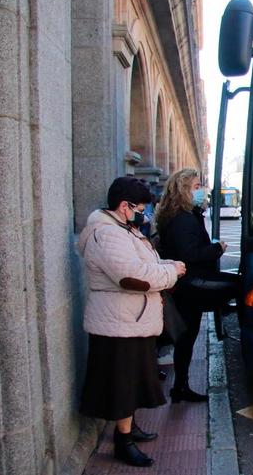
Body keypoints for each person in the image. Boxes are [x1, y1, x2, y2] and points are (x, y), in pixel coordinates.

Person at [78, 176, 186, 468]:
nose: (145, 214)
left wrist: (166, 266)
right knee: (123, 385)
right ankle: (123, 443)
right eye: (141, 208)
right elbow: (133, 277)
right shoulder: (108, 234)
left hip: (130, 321)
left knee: (132, 381)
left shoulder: (123, 229)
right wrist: (172, 272)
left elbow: (144, 265)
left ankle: (128, 428)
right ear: (125, 207)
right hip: (119, 323)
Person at [155, 168, 228, 403]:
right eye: (197, 187)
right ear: (184, 190)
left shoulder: (183, 214)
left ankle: (181, 386)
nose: (201, 191)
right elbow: (190, 254)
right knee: (185, 337)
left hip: (187, 285)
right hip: (190, 286)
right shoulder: (183, 219)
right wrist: (217, 249)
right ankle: (180, 387)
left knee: (186, 337)